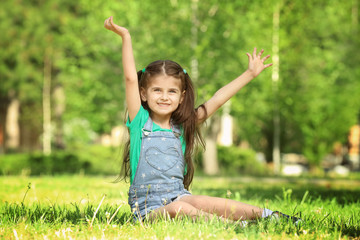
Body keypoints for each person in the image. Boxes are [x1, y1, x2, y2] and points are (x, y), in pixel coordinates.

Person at [104, 16, 301, 225]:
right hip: (148, 210)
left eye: (171, 91)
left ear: (181, 97)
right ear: (143, 94)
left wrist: (250, 74)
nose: (164, 96)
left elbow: (217, 99)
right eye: (157, 90)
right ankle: (235, 226)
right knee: (180, 208)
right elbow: (130, 79)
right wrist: (126, 36)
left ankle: (273, 217)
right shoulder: (139, 123)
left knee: (210, 202)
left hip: (180, 195)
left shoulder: (182, 125)